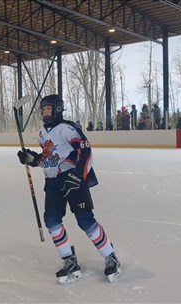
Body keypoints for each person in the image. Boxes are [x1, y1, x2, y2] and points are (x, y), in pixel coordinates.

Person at [16, 94, 121, 284]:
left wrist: (78, 175)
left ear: (57, 109)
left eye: (48, 109)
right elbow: (50, 156)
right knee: (51, 219)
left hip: (72, 179)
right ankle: (69, 260)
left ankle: (110, 256)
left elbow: (85, 151)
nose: (44, 112)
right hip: (53, 183)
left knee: (85, 220)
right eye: (42, 109)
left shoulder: (67, 128)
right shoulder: (41, 132)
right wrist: (33, 160)